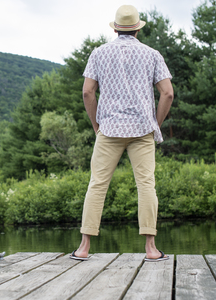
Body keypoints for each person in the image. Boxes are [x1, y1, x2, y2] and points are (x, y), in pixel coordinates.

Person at [70, 5, 174, 262]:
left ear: (115, 28)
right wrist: (155, 124)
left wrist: (96, 125)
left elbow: (87, 92)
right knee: (146, 185)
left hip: (110, 129)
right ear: (138, 29)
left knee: (97, 185)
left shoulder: (99, 53)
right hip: (142, 130)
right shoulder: (152, 55)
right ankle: (151, 249)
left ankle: (83, 248)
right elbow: (168, 93)